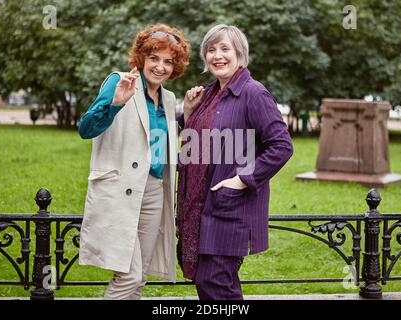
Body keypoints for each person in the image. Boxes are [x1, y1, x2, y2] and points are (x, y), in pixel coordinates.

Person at [176, 24, 293, 300]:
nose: (217, 55)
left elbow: (282, 146)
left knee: (215, 285)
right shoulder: (209, 94)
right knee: (216, 285)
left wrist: (242, 179)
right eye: (211, 49)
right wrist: (188, 114)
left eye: (225, 49)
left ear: (240, 54)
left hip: (230, 209)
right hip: (201, 209)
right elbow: (197, 142)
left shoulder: (253, 93)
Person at [78, 23, 190, 300]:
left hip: (153, 191)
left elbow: (159, 144)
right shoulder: (120, 81)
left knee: (139, 279)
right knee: (130, 275)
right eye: (154, 59)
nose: (160, 67)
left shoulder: (168, 98)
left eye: (168, 62)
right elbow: (86, 128)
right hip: (119, 192)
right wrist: (115, 104)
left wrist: (186, 114)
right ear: (141, 58)